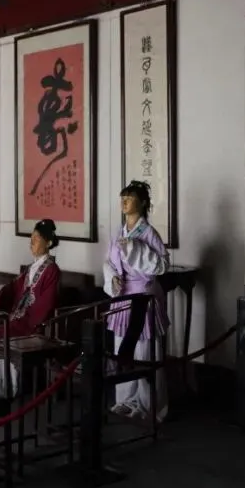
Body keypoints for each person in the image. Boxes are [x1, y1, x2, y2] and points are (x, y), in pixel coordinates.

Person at [102, 180, 170, 422]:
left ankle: (148, 403)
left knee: (143, 350)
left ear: (142, 203)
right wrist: (113, 277)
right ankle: (125, 399)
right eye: (123, 197)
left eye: (130, 198)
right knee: (122, 348)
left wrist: (135, 248)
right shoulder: (118, 232)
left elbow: (162, 264)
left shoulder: (149, 233)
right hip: (123, 296)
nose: (124, 202)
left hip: (142, 296)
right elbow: (108, 262)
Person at [0, 219, 62, 393]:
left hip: (32, 322)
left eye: (36, 239)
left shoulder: (52, 270)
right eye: (31, 238)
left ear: (48, 243)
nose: (31, 243)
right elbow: (15, 287)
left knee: (2, 336)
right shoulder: (30, 268)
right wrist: (1, 296)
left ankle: (10, 388)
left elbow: (47, 302)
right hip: (18, 317)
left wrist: (30, 319)